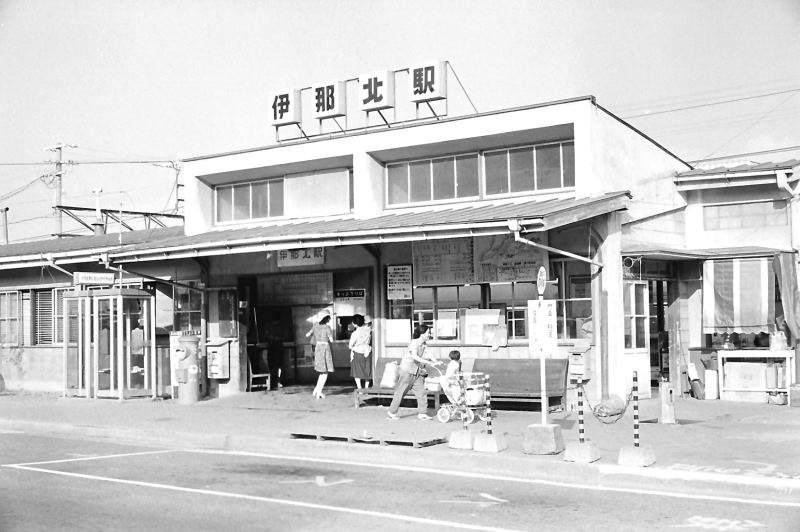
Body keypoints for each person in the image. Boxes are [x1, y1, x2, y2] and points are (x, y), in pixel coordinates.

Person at [387, 324, 442, 420]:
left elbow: (429, 353)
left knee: (421, 392)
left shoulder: (424, 343)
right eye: (428, 333)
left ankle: (422, 413)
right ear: (422, 334)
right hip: (406, 371)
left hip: (417, 371)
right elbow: (415, 356)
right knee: (401, 392)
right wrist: (429, 363)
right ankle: (392, 412)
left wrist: (436, 361)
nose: (429, 334)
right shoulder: (414, 343)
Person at [305, 311, 334, 399]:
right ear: (326, 318)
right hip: (325, 348)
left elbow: (307, 334)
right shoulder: (327, 327)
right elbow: (331, 339)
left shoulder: (315, 325)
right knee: (325, 373)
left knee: (322, 372)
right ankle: (319, 392)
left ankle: (316, 390)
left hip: (318, 348)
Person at [348, 314, 373, 390]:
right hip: (368, 351)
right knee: (367, 371)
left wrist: (353, 347)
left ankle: (359, 388)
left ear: (354, 323)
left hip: (358, 352)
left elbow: (350, 345)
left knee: (357, 371)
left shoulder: (355, 333)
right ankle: (366, 388)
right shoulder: (369, 330)